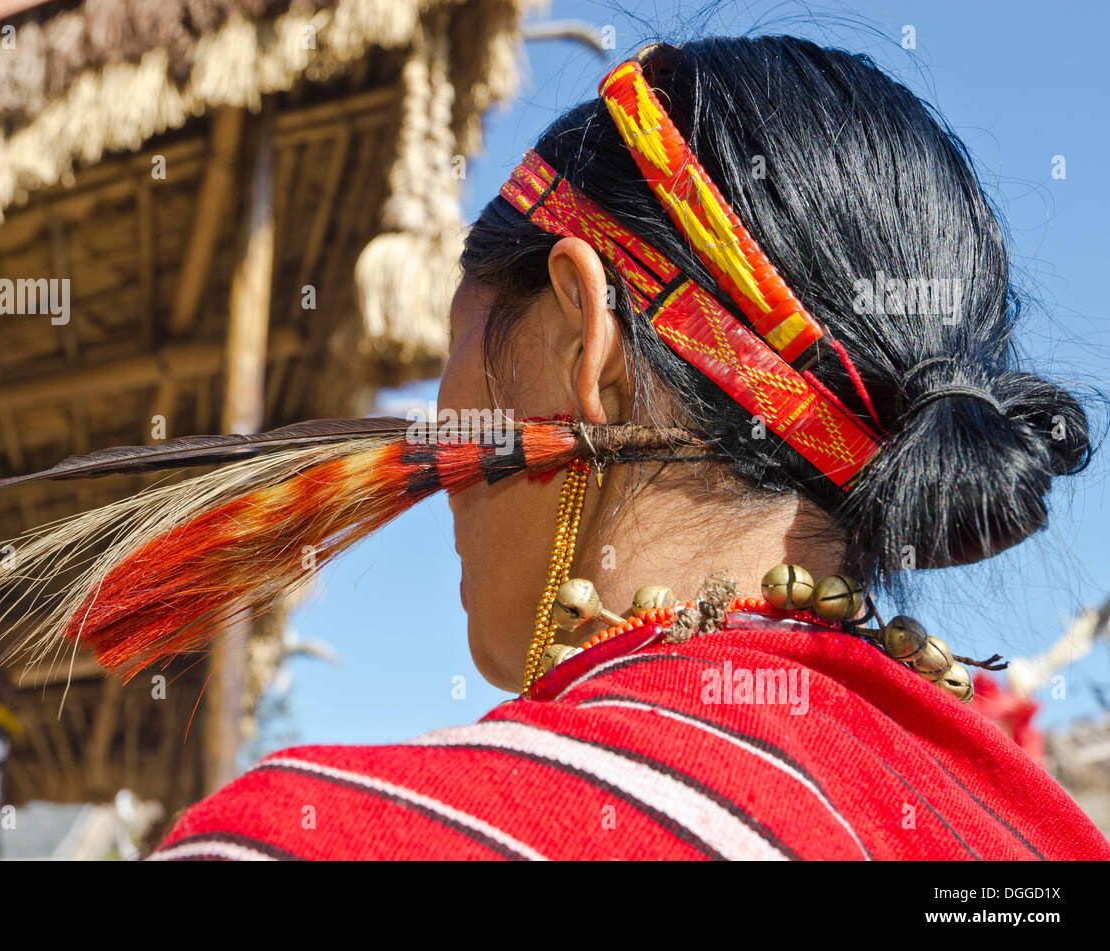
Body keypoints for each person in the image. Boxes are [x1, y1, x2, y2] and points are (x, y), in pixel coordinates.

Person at [150, 37, 1109, 860]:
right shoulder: (1033, 845)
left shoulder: (319, 842)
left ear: (586, 344)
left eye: (454, 352)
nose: (436, 441)